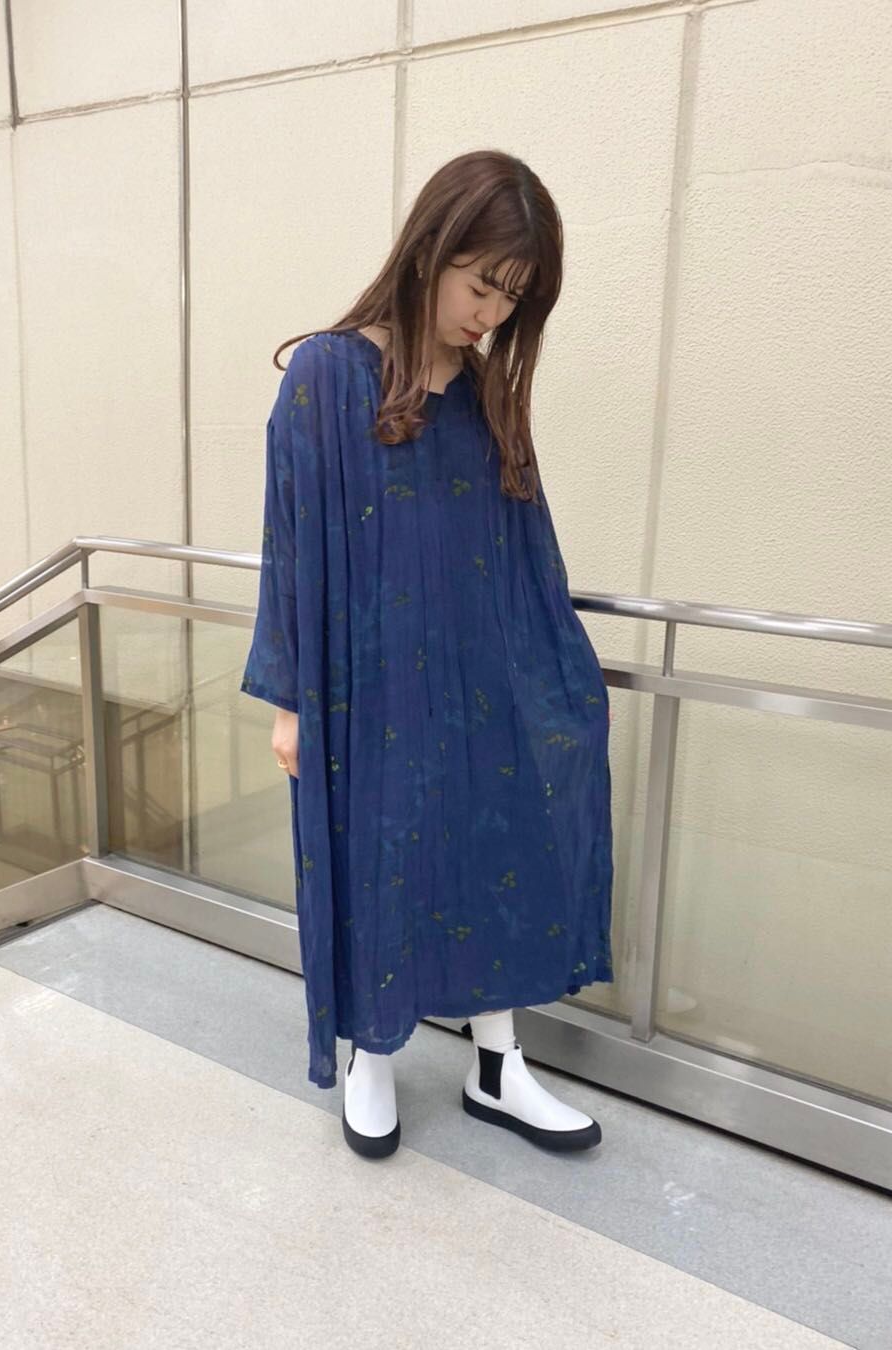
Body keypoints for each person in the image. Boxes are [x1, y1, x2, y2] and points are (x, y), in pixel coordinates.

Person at [241, 149, 614, 1160]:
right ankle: (371, 1053)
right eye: (481, 284)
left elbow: (524, 552)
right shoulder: (328, 375)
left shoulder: (485, 392)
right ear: (429, 250)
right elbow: (290, 544)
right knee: (380, 859)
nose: (491, 313)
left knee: (499, 852)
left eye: (513, 296)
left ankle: (498, 1065)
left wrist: (560, 684)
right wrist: (290, 699)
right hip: (366, 689)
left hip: (481, 681)